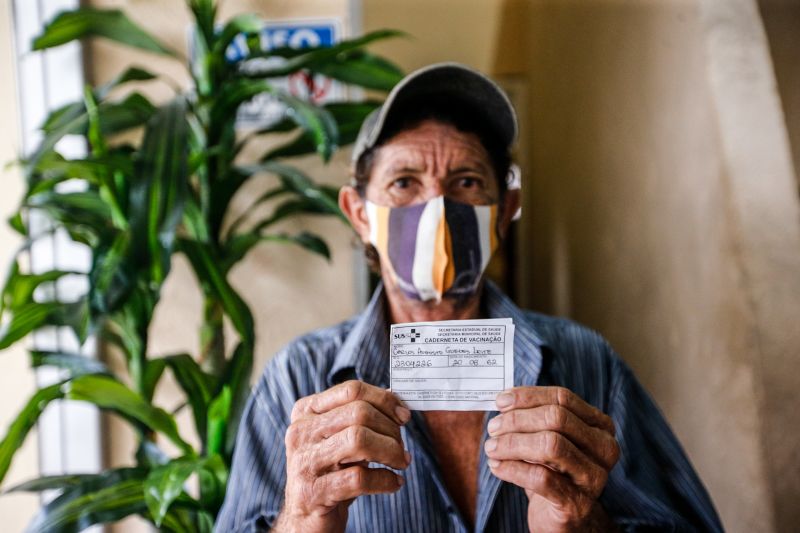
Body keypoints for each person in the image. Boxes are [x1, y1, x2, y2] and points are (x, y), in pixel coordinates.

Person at [216, 63, 723, 532]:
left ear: (504, 212)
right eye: (404, 182)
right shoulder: (296, 382)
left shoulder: (589, 365)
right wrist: (303, 517)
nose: (437, 209)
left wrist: (584, 522)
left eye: (467, 181)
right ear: (359, 214)